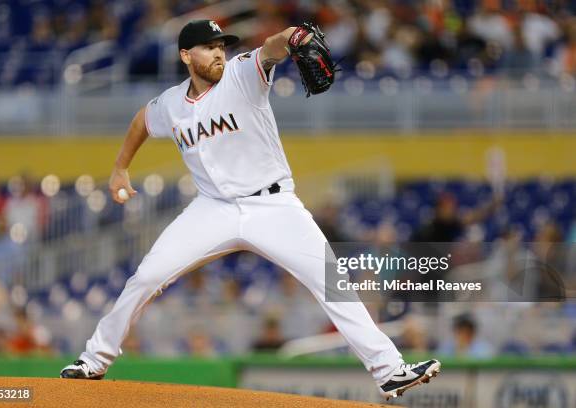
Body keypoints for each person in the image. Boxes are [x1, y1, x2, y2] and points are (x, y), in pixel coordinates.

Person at [60, 19, 440, 400]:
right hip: (212, 208)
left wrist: (292, 37)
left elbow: (271, 49)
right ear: (186, 55)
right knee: (145, 278)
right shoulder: (172, 104)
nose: (218, 52)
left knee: (332, 282)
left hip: (273, 205)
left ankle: (389, 370)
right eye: (209, 47)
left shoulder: (242, 74)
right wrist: (120, 167)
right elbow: (142, 119)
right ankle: (94, 360)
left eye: (221, 45)